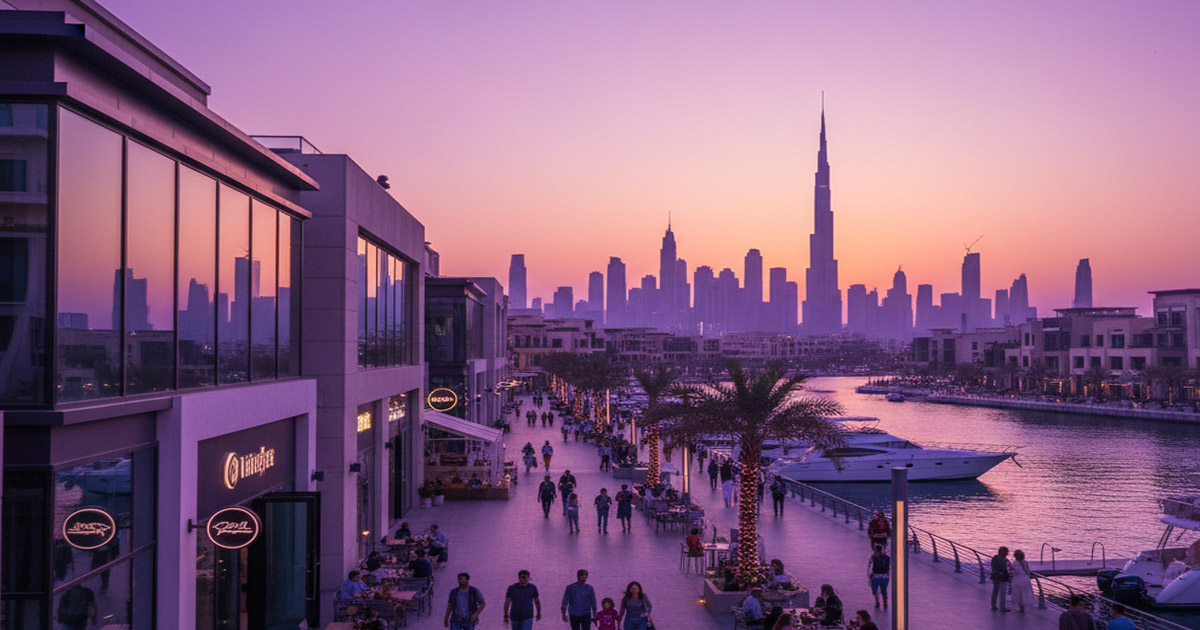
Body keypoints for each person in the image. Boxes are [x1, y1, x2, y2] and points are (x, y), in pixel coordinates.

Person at [990, 546, 1012, 612]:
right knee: (998, 592)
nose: (1006, 553)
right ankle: (997, 606)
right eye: (1006, 552)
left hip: (1001, 577)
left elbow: (1009, 567)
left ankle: (998, 606)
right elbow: (995, 567)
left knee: (998, 592)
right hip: (998, 577)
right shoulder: (997, 558)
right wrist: (1000, 573)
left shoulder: (1005, 559)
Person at [868, 545, 890, 609]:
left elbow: (870, 567)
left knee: (876, 590)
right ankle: (885, 603)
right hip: (885, 577)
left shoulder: (873, 557)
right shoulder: (887, 557)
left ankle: (877, 603)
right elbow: (889, 567)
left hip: (876, 576)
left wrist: (869, 576)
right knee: (884, 589)